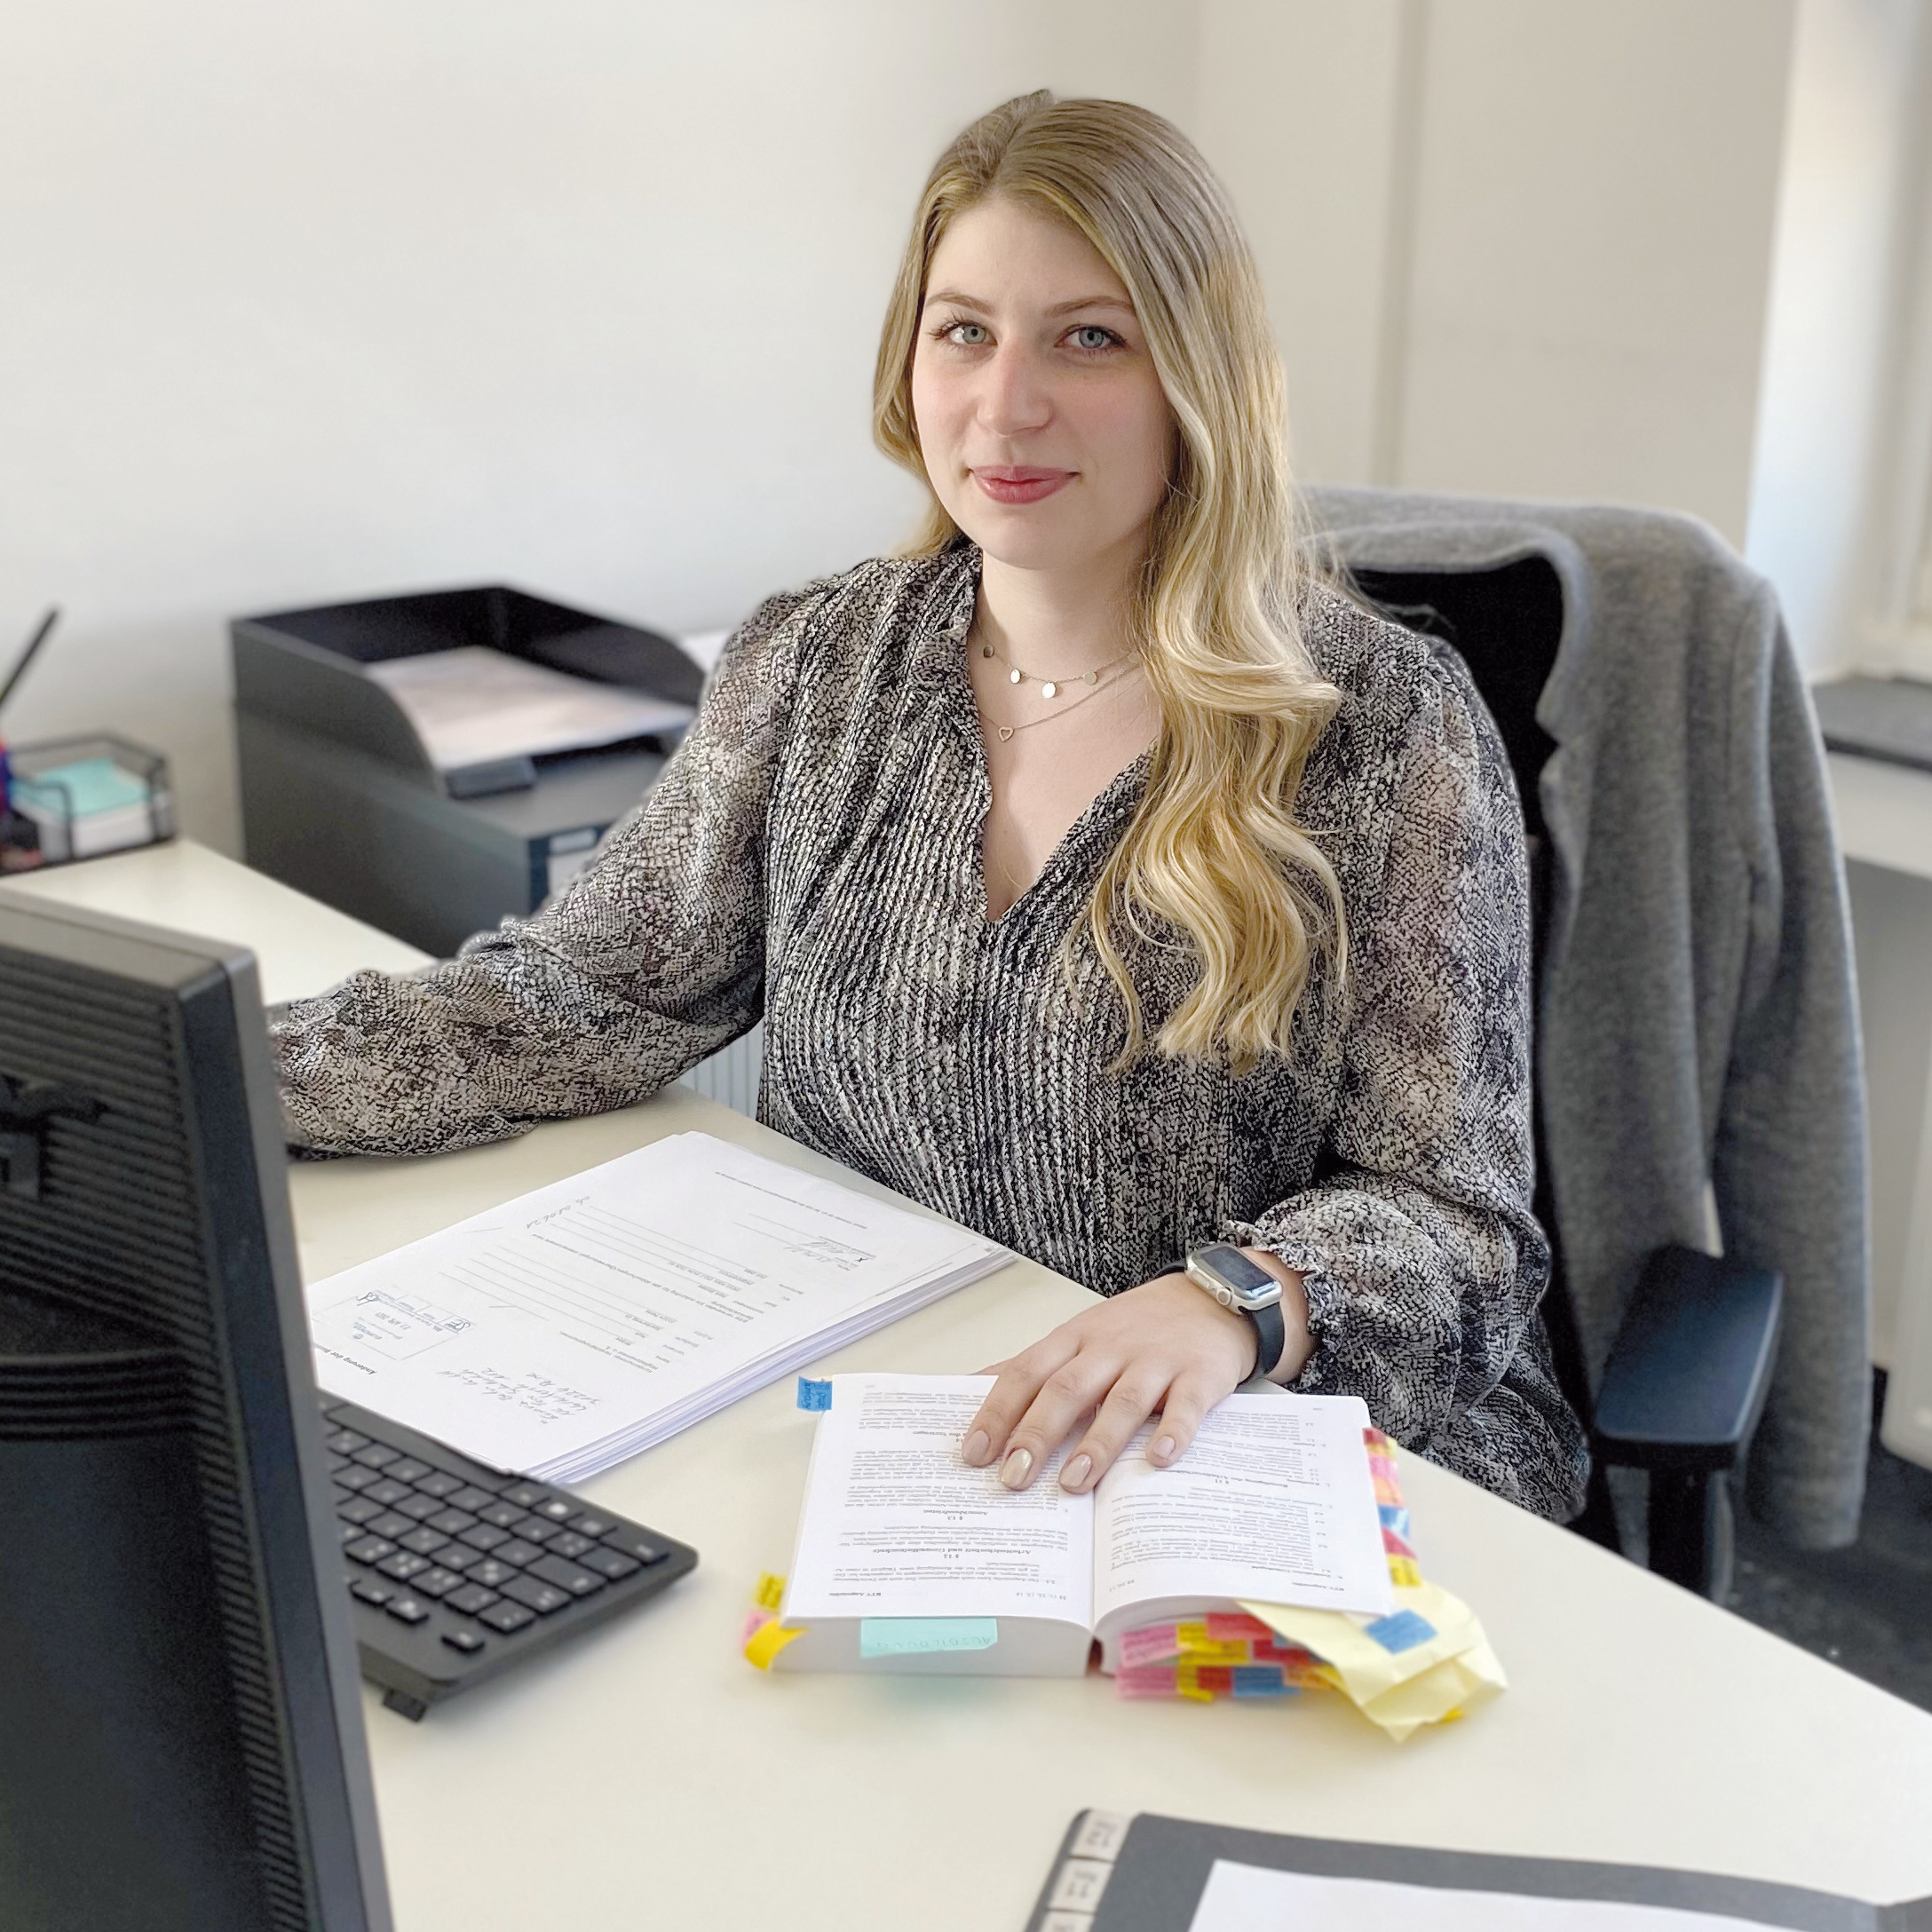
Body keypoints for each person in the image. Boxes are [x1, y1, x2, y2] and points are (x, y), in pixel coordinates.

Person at [271, 91, 1588, 1523]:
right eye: (965, 330)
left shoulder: (1380, 725)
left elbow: (1456, 1222)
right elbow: (580, 998)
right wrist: (208, 1074)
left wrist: (1233, 1306)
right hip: (899, 1432)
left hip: (1246, 1450)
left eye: (1090, 337)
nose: (1005, 404)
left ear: (1194, 378)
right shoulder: (817, 662)